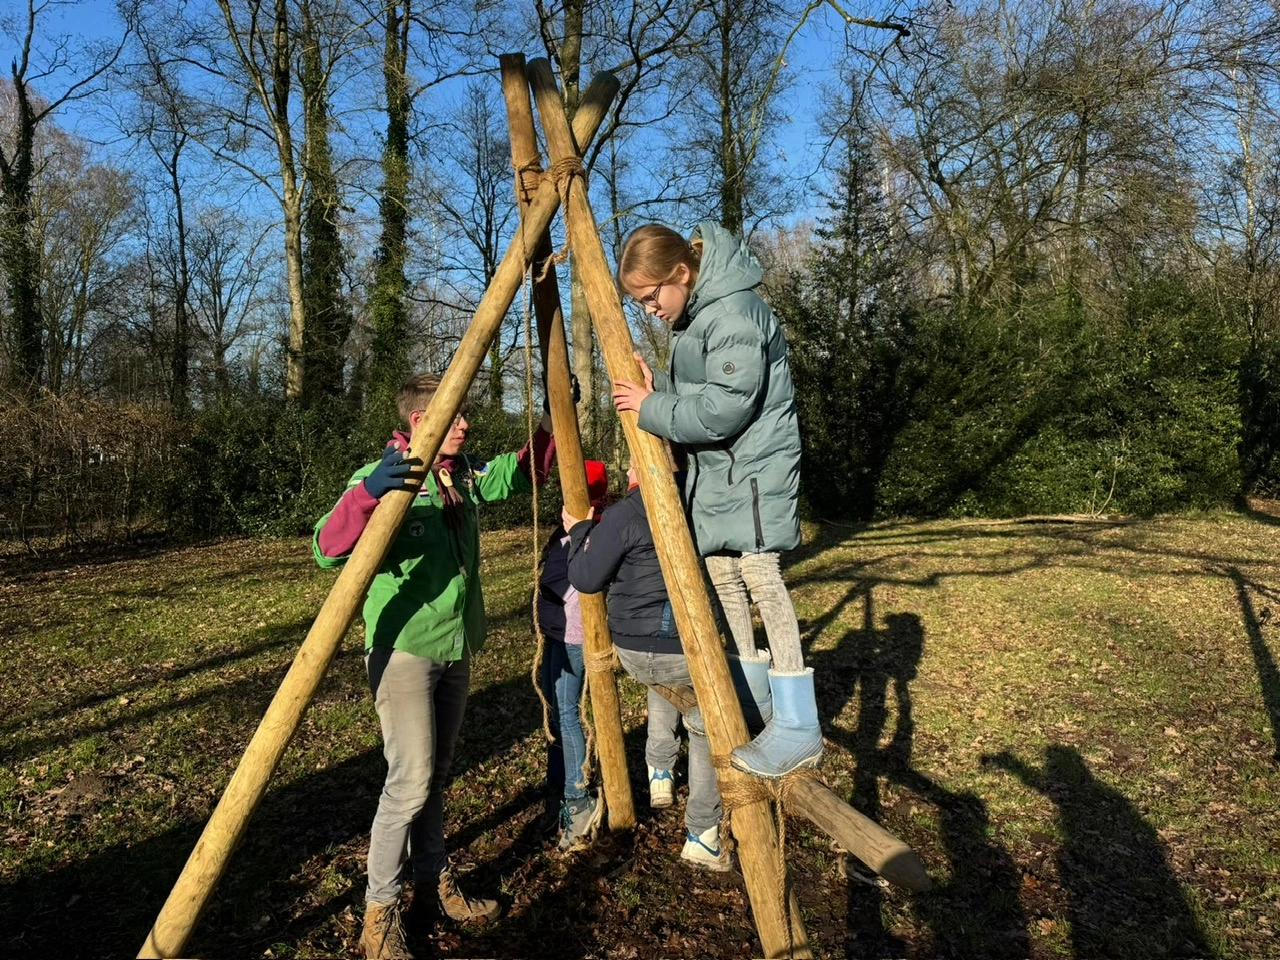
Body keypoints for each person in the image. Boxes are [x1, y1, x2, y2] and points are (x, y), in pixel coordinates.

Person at [313, 373, 556, 960]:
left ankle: (432, 882)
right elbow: (326, 548)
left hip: (454, 646)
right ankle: (379, 913)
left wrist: (553, 418)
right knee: (410, 780)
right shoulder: (387, 478)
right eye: (456, 415)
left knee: (436, 775)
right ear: (421, 421)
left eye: (467, 414)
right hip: (403, 651)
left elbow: (521, 472)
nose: (467, 423)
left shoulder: (463, 475)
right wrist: (369, 492)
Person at [611, 222, 822, 780]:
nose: (650, 309)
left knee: (760, 576)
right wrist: (655, 386)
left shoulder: (733, 313)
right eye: (640, 302)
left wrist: (649, 406)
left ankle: (800, 726)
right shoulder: (697, 319)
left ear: (681, 274)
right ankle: (756, 695)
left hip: (752, 476)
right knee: (723, 573)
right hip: (722, 477)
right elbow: (698, 395)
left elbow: (726, 407)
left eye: (651, 296)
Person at [563, 465, 732, 872]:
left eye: (633, 460)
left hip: (635, 649)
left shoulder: (625, 513)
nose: (626, 466)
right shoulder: (697, 505)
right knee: (705, 720)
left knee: (665, 680)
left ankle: (660, 772)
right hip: (680, 648)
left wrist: (580, 533)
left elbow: (586, 576)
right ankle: (703, 834)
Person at [535, 459, 610, 850]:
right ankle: (558, 794)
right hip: (554, 635)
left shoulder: (592, 537)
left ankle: (579, 803)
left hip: (574, 638)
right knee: (553, 715)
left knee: (567, 716)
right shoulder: (564, 536)